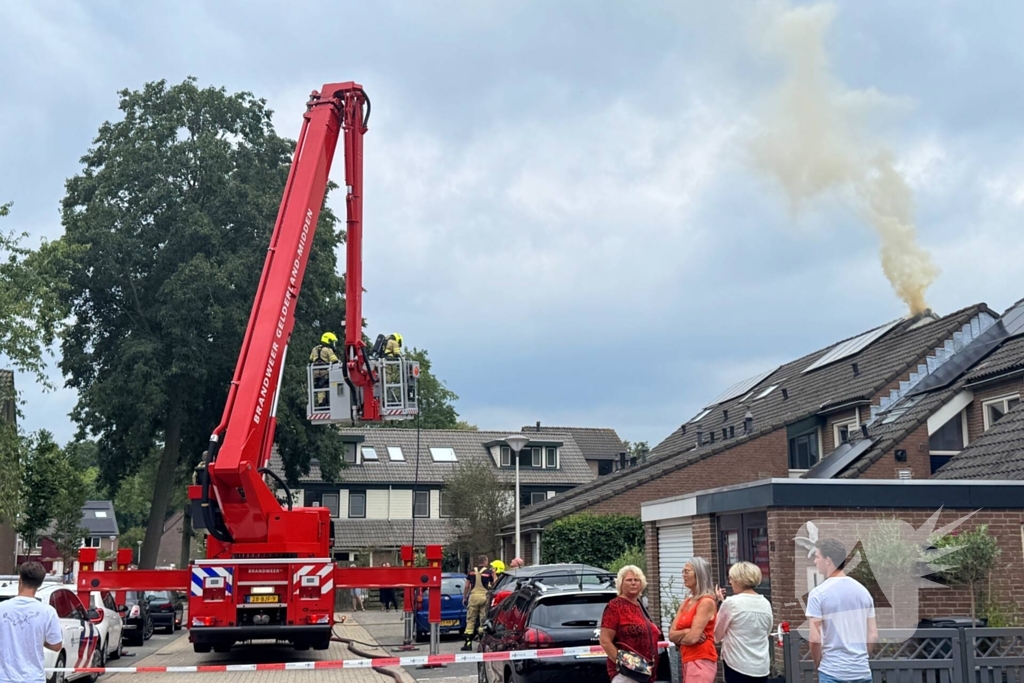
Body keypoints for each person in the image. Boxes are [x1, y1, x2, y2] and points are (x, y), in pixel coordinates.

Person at [807, 539, 877, 683]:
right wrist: (860, 659)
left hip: (832, 672)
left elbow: (815, 638)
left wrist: (817, 664)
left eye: (817, 556)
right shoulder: (864, 593)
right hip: (861, 672)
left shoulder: (818, 594)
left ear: (828, 560)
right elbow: (873, 635)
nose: (815, 561)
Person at [0, 562, 64, 683]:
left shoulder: (1, 608)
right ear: (39, 584)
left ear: (20, 579)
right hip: (34, 678)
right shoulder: (48, 612)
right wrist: (38, 639)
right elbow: (56, 645)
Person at [599, 565, 661, 683]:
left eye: (636, 580)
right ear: (621, 583)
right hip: (627, 675)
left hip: (645, 673)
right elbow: (605, 641)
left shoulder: (640, 606)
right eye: (629, 580)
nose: (633, 583)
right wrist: (625, 664)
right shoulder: (615, 606)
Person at [715, 562, 773, 683]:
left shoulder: (731, 603)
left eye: (731, 578)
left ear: (738, 579)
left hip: (737, 665)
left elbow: (716, 635)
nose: (730, 582)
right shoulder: (765, 603)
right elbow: (767, 632)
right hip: (761, 667)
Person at [669, 557, 718, 683]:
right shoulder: (686, 602)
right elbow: (671, 635)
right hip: (687, 658)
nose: (683, 575)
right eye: (683, 572)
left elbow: (693, 638)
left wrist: (682, 638)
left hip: (700, 659)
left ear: (699, 574)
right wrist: (686, 631)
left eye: (687, 572)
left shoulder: (706, 602)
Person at [462, 554, 495, 651]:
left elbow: (467, 586)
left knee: (471, 620)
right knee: (482, 620)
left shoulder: (471, 571)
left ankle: (467, 644)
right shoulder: (489, 572)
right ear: (485, 561)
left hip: (473, 597)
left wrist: (464, 597)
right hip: (484, 597)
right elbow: (494, 585)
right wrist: (494, 574)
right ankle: (482, 644)